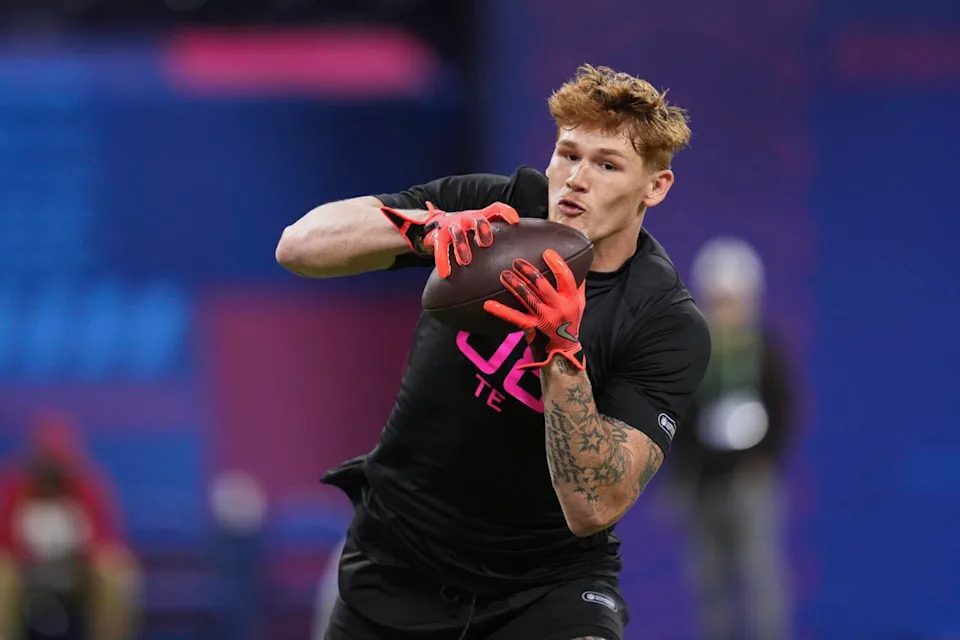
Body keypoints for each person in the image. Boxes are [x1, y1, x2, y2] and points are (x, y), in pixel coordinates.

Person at [276, 64, 711, 640]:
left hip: (545, 587)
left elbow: (595, 506)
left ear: (654, 187)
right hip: (398, 559)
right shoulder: (496, 208)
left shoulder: (665, 321)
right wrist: (425, 231)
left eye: (606, 165)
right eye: (567, 154)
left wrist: (561, 349)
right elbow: (298, 247)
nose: (575, 179)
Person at [670, 237, 794, 640]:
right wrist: (682, 475)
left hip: (751, 483)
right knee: (710, 580)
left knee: (761, 576)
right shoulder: (697, 354)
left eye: (732, 299)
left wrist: (766, 458)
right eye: (718, 300)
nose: (725, 309)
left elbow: (784, 408)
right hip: (705, 483)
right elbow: (681, 417)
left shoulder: (764, 351)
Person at [0, 411, 141, 640]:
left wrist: (81, 555)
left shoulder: (88, 487)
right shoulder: (13, 487)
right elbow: (3, 541)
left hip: (76, 573)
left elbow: (106, 540)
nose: (52, 470)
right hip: (24, 572)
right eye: (46, 461)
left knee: (114, 572)